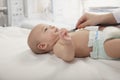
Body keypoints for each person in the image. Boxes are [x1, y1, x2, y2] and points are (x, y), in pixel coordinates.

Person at [28, 23, 120, 62]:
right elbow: (68, 57)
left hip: (103, 33)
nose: (51, 26)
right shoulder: (57, 47)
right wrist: (67, 43)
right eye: (46, 29)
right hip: (100, 46)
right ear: (43, 45)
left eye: (49, 25)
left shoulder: (64, 34)